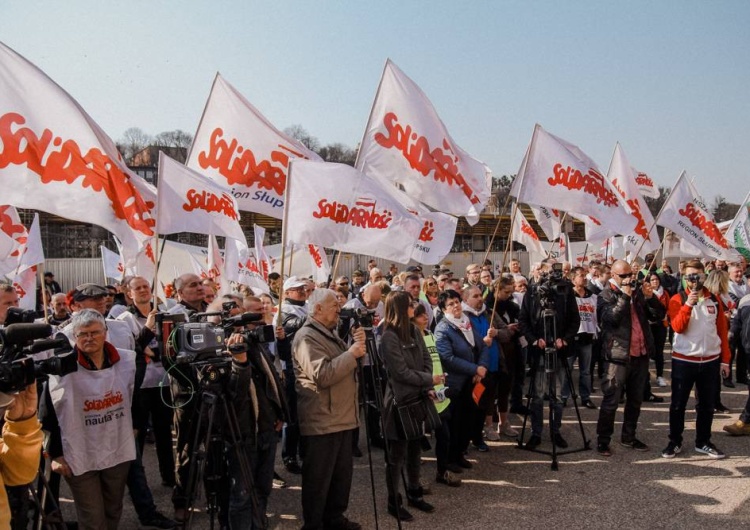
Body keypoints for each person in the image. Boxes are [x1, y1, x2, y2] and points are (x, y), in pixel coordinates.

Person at [45, 309, 137, 529]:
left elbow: (137, 395)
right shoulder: (61, 367)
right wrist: (56, 454)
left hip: (117, 447)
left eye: (95, 332)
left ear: (105, 333)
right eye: (82, 334)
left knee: (113, 509)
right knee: (92, 517)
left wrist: (137, 427)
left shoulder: (125, 360)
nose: (89, 338)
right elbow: (47, 412)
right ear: (74, 337)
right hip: (79, 451)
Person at [293, 289, 365, 530]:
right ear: (317, 309)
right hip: (322, 419)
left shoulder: (329, 333)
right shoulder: (306, 337)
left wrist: (357, 348)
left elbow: (346, 364)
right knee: (319, 480)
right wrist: (352, 353)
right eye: (334, 305)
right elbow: (322, 375)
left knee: (340, 477)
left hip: (341, 416)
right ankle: (313, 525)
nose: (339, 309)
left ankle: (334, 519)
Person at [228, 296, 289, 530]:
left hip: (267, 429)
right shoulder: (224, 348)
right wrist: (239, 362)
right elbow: (235, 395)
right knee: (242, 494)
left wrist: (279, 413)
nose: (249, 323)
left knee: (263, 489)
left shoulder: (255, 342)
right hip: (242, 434)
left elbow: (272, 379)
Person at [661, 260, 731, 459]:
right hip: (684, 360)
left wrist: (725, 360)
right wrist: (688, 304)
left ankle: (703, 441)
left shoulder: (714, 300)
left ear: (704, 277)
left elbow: (722, 332)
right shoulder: (677, 299)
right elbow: (677, 327)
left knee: (707, 405)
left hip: (709, 361)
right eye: (690, 276)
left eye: (698, 276)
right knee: (678, 404)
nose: (694, 280)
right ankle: (675, 441)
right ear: (684, 278)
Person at [596, 260, 665, 456]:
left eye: (630, 275)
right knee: (611, 400)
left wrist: (651, 298)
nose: (629, 279)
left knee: (635, 400)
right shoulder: (606, 294)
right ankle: (603, 440)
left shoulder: (638, 292)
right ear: (614, 276)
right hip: (617, 356)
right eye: (624, 276)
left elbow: (658, 315)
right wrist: (625, 297)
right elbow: (611, 319)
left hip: (640, 354)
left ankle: (629, 436)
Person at [379, 292, 437, 521]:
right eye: (411, 304)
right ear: (401, 308)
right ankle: (394, 501)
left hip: (418, 397)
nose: (415, 307)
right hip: (399, 403)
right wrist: (428, 380)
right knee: (396, 455)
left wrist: (426, 379)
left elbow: (427, 359)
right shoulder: (389, 337)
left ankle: (415, 492)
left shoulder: (413, 330)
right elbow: (399, 372)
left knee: (415, 449)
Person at [519, 264, 580, 450]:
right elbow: (523, 320)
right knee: (537, 396)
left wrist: (565, 339)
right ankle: (536, 433)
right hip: (539, 350)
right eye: (542, 271)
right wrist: (533, 340)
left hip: (560, 351)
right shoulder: (531, 292)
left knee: (558, 396)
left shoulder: (565, 290)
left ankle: (556, 431)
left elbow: (574, 319)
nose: (546, 276)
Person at [434, 290, 489, 470]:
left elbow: (482, 346)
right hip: (455, 383)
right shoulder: (443, 328)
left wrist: (480, 368)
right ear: (443, 309)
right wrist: (474, 368)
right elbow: (447, 358)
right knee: (455, 422)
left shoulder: (467, 322)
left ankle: (460, 453)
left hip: (472, 380)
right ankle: (450, 458)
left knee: (468, 419)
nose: (455, 306)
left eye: (457, 302)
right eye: (450, 304)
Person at [277, 276, 310, 475]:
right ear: (287, 292)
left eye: (304, 289)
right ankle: (288, 455)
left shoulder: (307, 307)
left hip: (307, 363)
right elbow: (292, 325)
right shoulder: (283, 311)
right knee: (292, 415)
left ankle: (303, 451)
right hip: (291, 365)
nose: (303, 292)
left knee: (305, 413)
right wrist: (316, 314)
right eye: (298, 289)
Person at [561, 267, 598, 410]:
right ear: (573, 279)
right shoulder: (568, 295)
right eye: (581, 276)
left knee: (586, 371)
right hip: (571, 338)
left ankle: (586, 397)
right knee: (567, 369)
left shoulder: (592, 295)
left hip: (587, 339)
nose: (584, 278)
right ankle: (564, 397)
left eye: (585, 275)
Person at [723, 288, 750, 435]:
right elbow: (737, 321)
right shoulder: (745, 300)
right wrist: (731, 332)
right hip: (747, 350)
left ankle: (744, 421)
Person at [647, 272, 671, 388]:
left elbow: (669, 307)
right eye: (652, 280)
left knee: (659, 351)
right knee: (648, 350)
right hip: (649, 325)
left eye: (656, 279)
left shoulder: (665, 293)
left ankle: (659, 375)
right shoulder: (646, 293)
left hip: (661, 324)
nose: (655, 282)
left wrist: (667, 315)